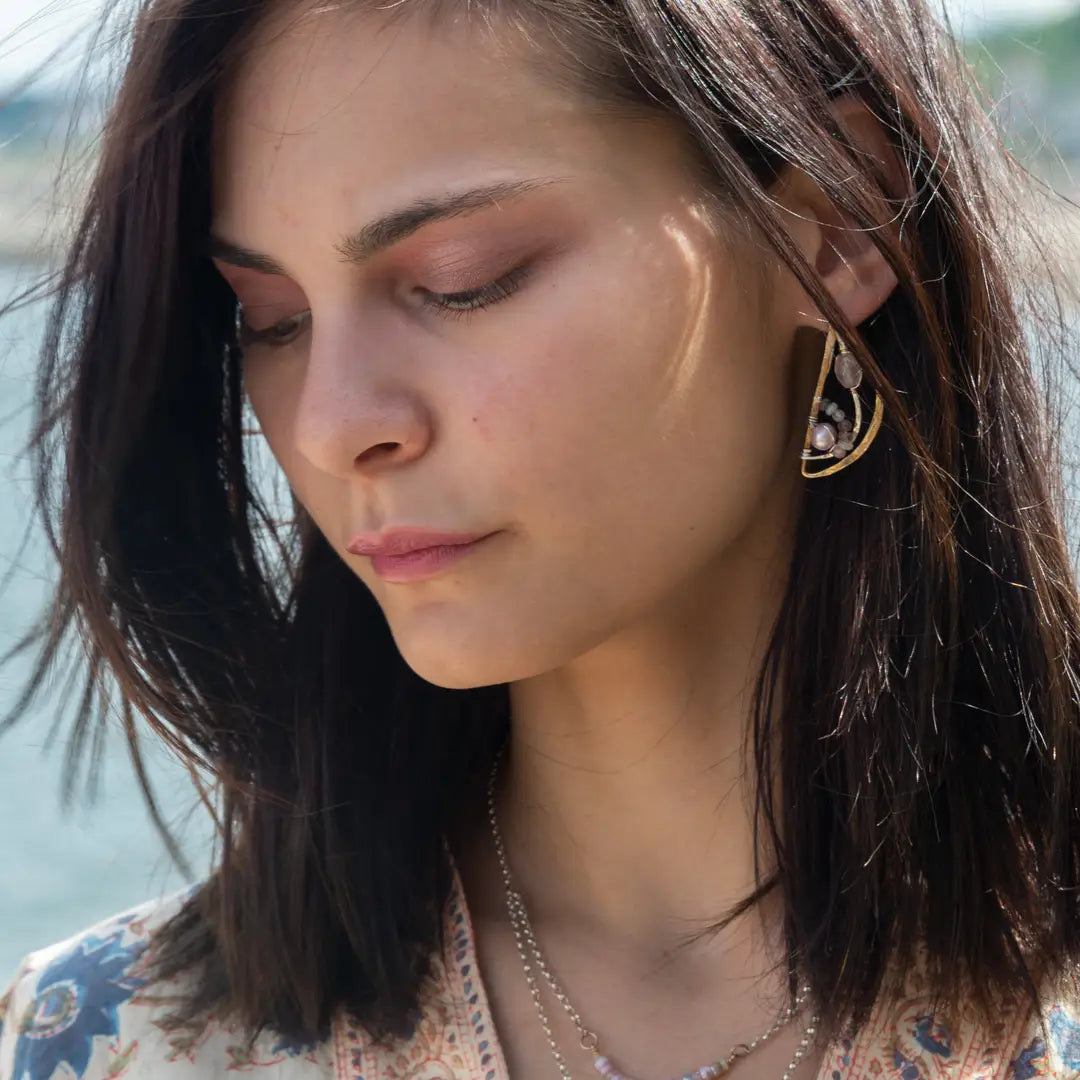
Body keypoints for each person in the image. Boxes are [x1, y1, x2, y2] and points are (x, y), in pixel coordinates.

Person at [2, 0, 1080, 1076]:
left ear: (839, 222)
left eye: (462, 281)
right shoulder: (100, 1040)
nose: (330, 425)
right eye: (272, 317)